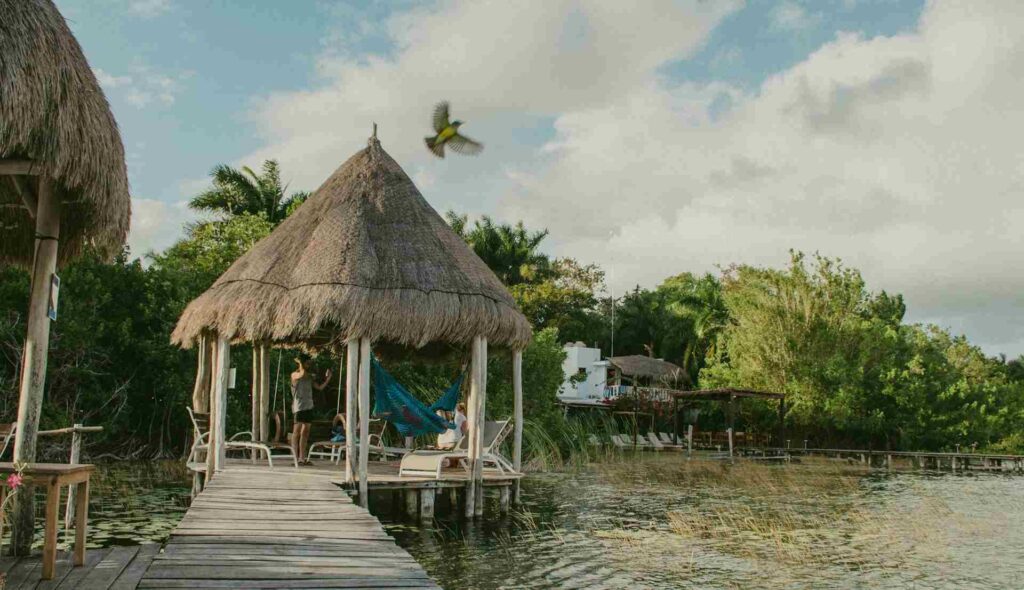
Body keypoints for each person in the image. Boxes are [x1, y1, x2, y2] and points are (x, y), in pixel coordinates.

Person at [291, 354, 331, 465]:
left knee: (305, 432)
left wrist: (328, 379)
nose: (309, 365)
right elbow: (301, 374)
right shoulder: (295, 374)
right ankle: (295, 457)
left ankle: (302, 458)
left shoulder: (309, 377)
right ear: (302, 364)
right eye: (307, 363)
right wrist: (301, 363)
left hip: (308, 406)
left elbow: (319, 388)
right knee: (296, 432)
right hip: (298, 406)